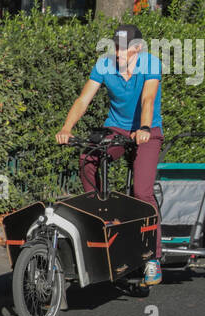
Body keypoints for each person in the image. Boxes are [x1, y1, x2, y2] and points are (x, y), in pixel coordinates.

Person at [55, 23, 164, 285]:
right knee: (89, 159)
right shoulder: (105, 65)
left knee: (142, 192)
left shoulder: (150, 63)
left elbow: (148, 98)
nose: (117, 53)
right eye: (116, 47)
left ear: (137, 49)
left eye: (123, 49)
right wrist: (67, 128)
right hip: (115, 128)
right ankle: (104, 216)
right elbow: (84, 99)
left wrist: (145, 128)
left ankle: (153, 258)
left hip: (147, 130)